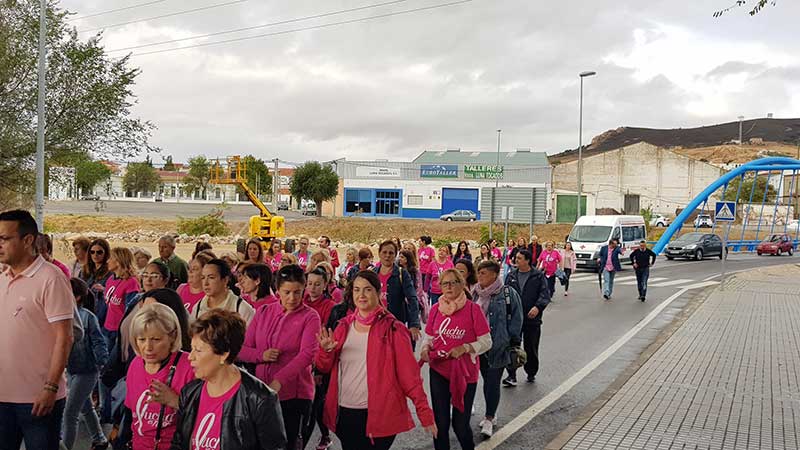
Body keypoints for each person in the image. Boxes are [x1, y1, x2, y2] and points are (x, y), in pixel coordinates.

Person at [316, 271, 437, 450]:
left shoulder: (394, 329)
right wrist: (325, 352)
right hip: (344, 413)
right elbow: (323, 367)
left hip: (380, 415)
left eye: (367, 289)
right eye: (357, 290)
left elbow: (410, 377)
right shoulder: (343, 326)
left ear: (379, 293)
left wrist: (425, 413)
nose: (361, 295)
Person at [0, 209, 75, 450]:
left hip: (37, 400)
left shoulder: (51, 279)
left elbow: (65, 337)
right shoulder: (3, 278)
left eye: (4, 238)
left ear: (28, 240)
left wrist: (50, 387)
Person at [170, 309, 287, 450]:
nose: (190, 356)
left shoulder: (260, 399)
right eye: (192, 349)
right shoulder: (189, 393)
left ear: (224, 354)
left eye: (199, 350)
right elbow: (178, 444)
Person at [239, 265, 320, 449]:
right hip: (260, 393)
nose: (292, 298)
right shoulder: (264, 312)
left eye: (297, 292)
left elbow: (307, 354)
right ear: (277, 290)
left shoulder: (310, 317)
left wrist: (279, 380)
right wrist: (261, 355)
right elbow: (242, 349)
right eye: (287, 292)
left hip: (294, 396)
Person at [421, 269, 491, 450]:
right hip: (439, 371)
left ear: (462, 285)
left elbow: (486, 342)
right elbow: (428, 336)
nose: (449, 286)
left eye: (454, 282)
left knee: (460, 424)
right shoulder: (436, 309)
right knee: (441, 423)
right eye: (445, 283)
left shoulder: (473, 309)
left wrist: (466, 348)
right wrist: (425, 349)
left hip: (465, 373)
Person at [125, 303, 195, 450]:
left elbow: (208, 417)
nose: (148, 347)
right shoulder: (136, 364)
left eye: (156, 339)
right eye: (141, 339)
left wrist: (176, 401)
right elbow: (131, 412)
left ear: (173, 336)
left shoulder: (190, 366)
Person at [471, 260, 523, 438]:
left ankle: (489, 417)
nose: (480, 277)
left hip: (497, 346)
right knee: (478, 382)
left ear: (494, 275)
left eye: (483, 273)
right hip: (476, 346)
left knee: (492, 383)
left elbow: (517, 318)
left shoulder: (508, 293)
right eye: (479, 273)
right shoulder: (474, 293)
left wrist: (513, 341)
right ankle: (487, 413)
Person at [63, 278, 109, 450]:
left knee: (70, 413)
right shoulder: (63, 315)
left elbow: (99, 341)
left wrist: (101, 362)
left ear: (78, 297)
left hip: (87, 370)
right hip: (71, 369)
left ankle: (64, 446)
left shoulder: (87, 317)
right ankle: (100, 439)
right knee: (85, 407)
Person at [504, 249, 550, 386]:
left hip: (532, 319)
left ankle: (531, 372)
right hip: (514, 318)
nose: (516, 260)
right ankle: (511, 375)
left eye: (519, 258)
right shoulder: (511, 276)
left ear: (527, 260)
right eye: (515, 258)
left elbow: (544, 294)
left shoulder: (537, 276)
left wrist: (538, 307)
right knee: (512, 346)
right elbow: (505, 293)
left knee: (531, 346)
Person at [373, 240, 422, 341]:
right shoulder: (373, 274)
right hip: (375, 322)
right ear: (379, 253)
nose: (387, 256)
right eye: (384, 252)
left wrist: (414, 324)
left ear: (395, 255)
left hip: (395, 321)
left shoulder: (402, 274)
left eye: (391, 253)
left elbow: (412, 299)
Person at [192, 259, 255, 325]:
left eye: (211, 277)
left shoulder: (241, 308)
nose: (206, 283)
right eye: (203, 278)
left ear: (225, 280)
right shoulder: (198, 308)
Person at [399, 249, 429, 324]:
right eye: (399, 257)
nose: (400, 259)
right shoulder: (398, 271)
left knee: (412, 324)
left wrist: (414, 299)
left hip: (413, 302)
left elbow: (419, 287)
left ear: (407, 259)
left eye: (402, 257)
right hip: (401, 303)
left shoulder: (415, 271)